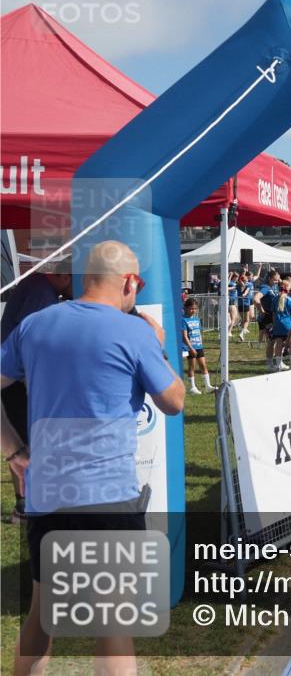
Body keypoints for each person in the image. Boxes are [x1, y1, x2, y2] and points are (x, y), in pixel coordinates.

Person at [0, 241, 184, 676]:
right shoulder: (134, 331)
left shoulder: (35, 325)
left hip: (49, 496)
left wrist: (14, 451)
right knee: (113, 624)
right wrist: (156, 346)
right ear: (129, 282)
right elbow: (174, 401)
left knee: (42, 614)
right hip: (108, 497)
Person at [0, 264, 73, 525]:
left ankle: (25, 506)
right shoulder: (41, 291)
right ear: (64, 276)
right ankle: (29, 507)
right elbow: (33, 339)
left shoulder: (36, 286)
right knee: (28, 445)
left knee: (23, 444)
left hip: (13, 378)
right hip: (16, 380)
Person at [182, 298, 216, 393]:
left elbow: (198, 332)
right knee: (191, 367)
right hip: (190, 347)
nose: (193, 311)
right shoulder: (183, 320)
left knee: (203, 366)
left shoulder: (197, 319)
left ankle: (208, 386)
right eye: (191, 308)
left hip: (199, 346)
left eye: (195, 309)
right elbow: (185, 337)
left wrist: (200, 343)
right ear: (186, 308)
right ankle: (192, 387)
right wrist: (191, 348)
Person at [269, 279, 291, 371]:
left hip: (277, 324)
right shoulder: (290, 300)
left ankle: (278, 364)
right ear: (287, 288)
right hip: (288, 325)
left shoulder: (274, 299)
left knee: (278, 343)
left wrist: (274, 325)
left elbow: (273, 314)